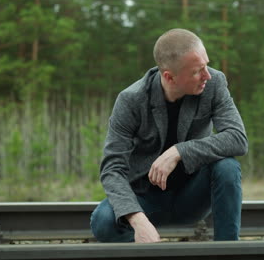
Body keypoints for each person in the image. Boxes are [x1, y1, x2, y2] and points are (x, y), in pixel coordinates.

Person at [90, 28, 248, 243]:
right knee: (102, 221)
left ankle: (228, 253)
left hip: (192, 196)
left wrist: (179, 151)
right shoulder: (131, 100)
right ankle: (150, 249)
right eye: (197, 71)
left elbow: (237, 138)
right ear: (169, 77)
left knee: (227, 166)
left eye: (206, 65)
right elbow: (112, 169)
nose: (207, 75)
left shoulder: (214, 84)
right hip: (145, 199)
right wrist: (138, 220)